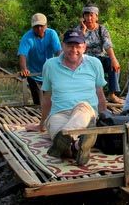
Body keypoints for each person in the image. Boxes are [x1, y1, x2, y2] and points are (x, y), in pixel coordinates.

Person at [31, 29, 107, 166]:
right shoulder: (50, 65)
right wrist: (42, 123)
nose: (74, 50)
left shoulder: (94, 63)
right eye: (70, 45)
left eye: (78, 46)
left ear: (84, 47)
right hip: (58, 114)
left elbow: (100, 93)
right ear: (62, 45)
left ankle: (67, 136)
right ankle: (77, 147)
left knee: (83, 106)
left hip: (86, 114)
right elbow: (47, 97)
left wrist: (105, 117)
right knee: (57, 135)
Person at [77, 5, 124, 104]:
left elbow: (107, 44)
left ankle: (112, 94)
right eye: (86, 15)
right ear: (83, 17)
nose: (89, 18)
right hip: (85, 60)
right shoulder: (78, 30)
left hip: (100, 58)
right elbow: (77, 46)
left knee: (113, 63)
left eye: (91, 15)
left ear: (96, 17)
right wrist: (83, 31)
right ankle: (87, 95)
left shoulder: (101, 29)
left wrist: (114, 59)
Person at [18, 13, 61, 105]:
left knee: (51, 101)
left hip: (49, 73)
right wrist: (24, 69)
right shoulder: (27, 37)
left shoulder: (52, 34)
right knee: (39, 103)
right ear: (32, 27)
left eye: (41, 26)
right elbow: (22, 55)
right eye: (36, 27)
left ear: (46, 25)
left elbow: (58, 51)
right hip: (34, 74)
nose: (39, 29)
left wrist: (60, 65)